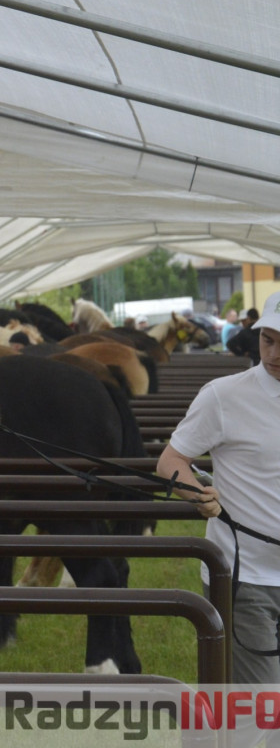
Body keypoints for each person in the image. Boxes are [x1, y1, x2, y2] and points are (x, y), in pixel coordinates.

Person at [156, 290, 280, 684]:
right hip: (246, 579)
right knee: (263, 703)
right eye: (269, 339)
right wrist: (197, 495)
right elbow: (171, 462)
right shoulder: (223, 396)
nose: (275, 353)